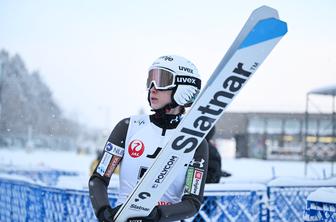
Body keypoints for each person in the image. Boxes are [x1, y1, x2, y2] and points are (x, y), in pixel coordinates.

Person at [89, 55, 209, 222]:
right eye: (151, 80)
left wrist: (156, 215)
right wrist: (104, 212)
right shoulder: (128, 127)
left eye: (161, 80)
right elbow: (99, 179)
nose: (153, 88)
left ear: (183, 88)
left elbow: (192, 203)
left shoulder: (195, 142)